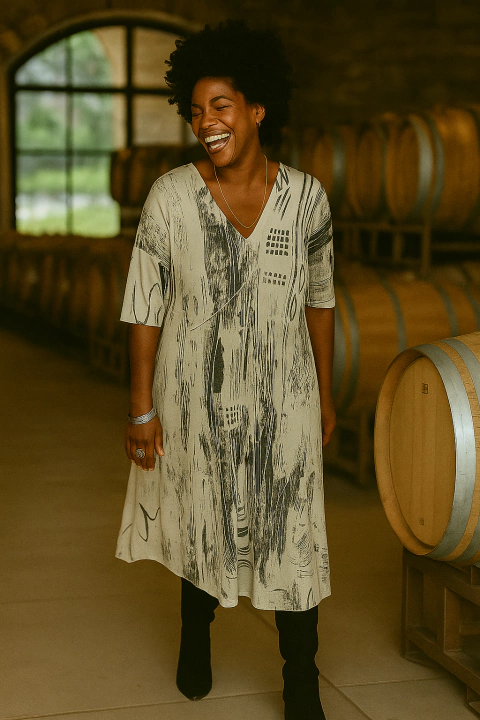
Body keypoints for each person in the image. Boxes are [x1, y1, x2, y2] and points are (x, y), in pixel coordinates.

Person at [116, 19, 336, 720]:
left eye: (221, 105)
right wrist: (142, 407)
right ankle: (195, 633)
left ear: (258, 107)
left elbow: (321, 302)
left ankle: (300, 678)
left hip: (286, 398)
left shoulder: (307, 200)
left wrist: (326, 398)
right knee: (200, 517)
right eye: (196, 110)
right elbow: (144, 307)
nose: (206, 122)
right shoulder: (170, 197)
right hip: (192, 397)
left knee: (293, 531)